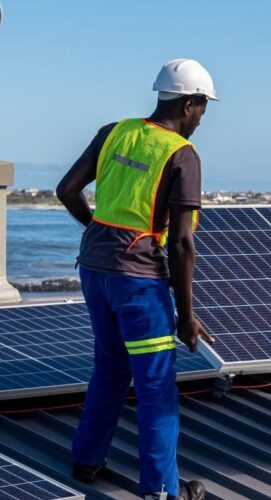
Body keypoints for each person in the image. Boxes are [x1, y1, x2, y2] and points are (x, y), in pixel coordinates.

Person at [57, 58, 217, 500]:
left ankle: (86, 461)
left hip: (94, 269)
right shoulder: (181, 155)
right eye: (203, 108)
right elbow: (182, 243)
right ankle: (162, 490)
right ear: (189, 103)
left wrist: (94, 228)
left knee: (109, 366)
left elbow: (66, 190)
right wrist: (186, 317)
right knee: (155, 384)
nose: (202, 119)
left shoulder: (115, 131)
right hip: (139, 282)